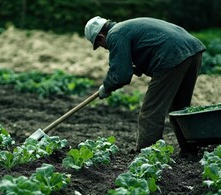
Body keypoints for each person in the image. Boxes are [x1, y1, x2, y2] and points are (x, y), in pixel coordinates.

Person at [84, 16, 206, 157]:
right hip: (192, 50)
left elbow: (121, 75)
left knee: (151, 111)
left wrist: (106, 87)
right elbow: (147, 48)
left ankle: (147, 153)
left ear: (100, 37)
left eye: (100, 45)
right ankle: (189, 150)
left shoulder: (115, 34)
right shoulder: (126, 27)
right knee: (180, 108)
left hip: (171, 56)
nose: (104, 48)